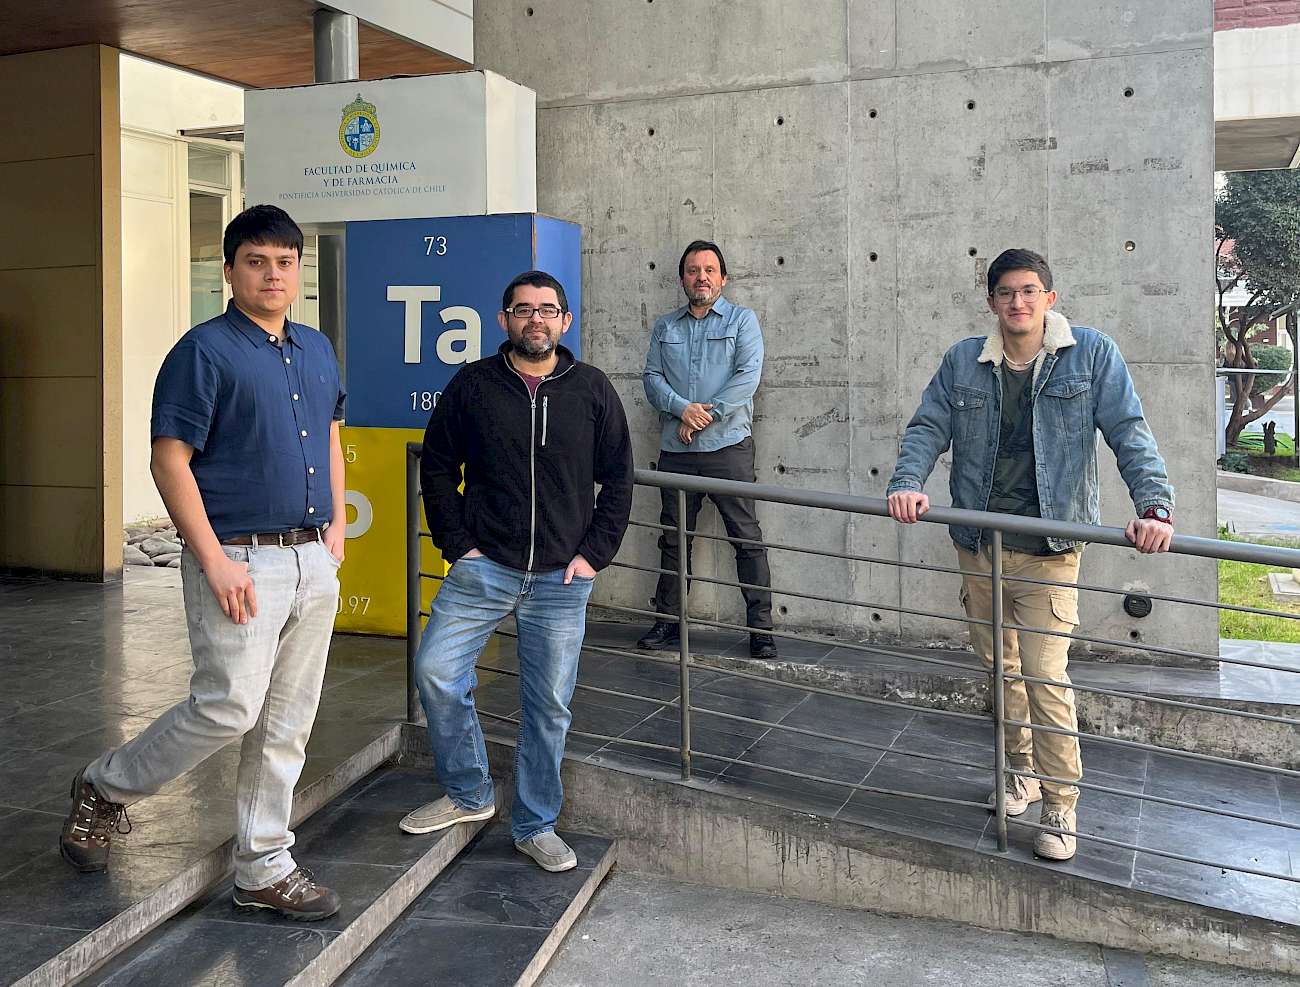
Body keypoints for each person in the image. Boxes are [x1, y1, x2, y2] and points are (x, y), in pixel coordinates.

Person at [60, 205, 346, 920]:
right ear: (229, 270)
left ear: (298, 270)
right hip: (240, 559)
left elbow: (333, 437)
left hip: (312, 560)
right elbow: (169, 459)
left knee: (288, 719)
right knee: (229, 707)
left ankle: (263, 865)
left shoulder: (316, 347)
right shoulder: (204, 351)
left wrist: (336, 531)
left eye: (285, 260)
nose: (272, 274)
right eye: (256, 260)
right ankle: (107, 785)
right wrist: (213, 557)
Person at [886, 248, 1174, 862]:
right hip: (980, 547)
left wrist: (1154, 506)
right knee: (1001, 672)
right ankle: (1019, 771)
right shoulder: (964, 361)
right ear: (991, 301)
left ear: (1050, 297)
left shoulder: (1090, 354)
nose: (1018, 302)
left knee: (1044, 676)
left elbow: (1129, 429)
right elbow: (927, 427)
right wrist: (908, 481)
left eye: (1029, 291)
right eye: (1006, 292)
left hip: (1050, 548)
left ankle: (1061, 806)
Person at [401, 270, 633, 873]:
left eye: (547, 309)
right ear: (503, 319)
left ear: (565, 320)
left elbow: (619, 479)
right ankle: (469, 794)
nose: (536, 318)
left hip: (562, 579)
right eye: (523, 309)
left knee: (548, 707)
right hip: (486, 568)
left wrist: (592, 557)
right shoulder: (474, 385)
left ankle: (535, 823)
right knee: (435, 672)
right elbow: (437, 467)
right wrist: (459, 544)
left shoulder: (593, 390)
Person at [637, 240, 778, 660]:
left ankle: (761, 630)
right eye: (693, 270)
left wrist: (704, 416)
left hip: (728, 448)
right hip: (675, 452)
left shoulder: (742, 321)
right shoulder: (666, 327)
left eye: (710, 270)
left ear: (723, 278)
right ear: (683, 278)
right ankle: (667, 624)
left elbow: (747, 378)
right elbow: (651, 377)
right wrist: (682, 410)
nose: (701, 277)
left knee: (746, 538)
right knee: (674, 541)